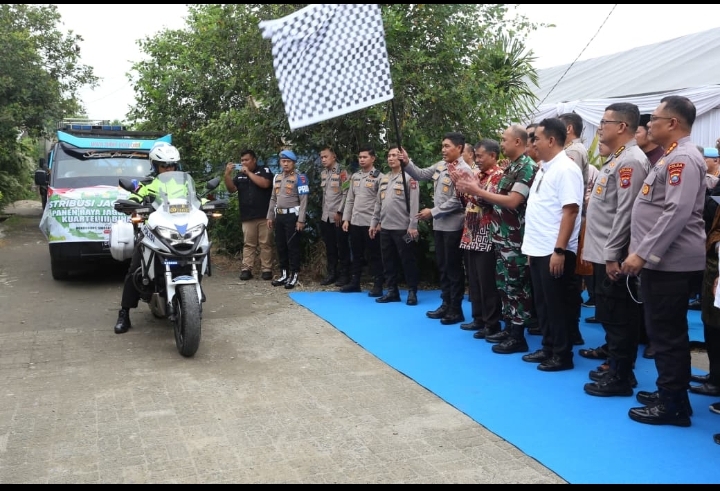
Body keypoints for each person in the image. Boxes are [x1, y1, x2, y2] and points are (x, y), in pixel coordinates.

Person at [622, 95, 706, 427]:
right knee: (663, 332)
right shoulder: (672, 155)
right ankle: (671, 394)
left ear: (672, 123)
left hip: (670, 262)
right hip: (665, 261)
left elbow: (676, 212)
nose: (649, 124)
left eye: (654, 119)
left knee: (667, 334)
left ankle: (672, 404)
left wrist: (643, 253)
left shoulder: (682, 158)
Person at [581, 102, 649, 397]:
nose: (600, 128)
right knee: (610, 313)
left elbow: (626, 212)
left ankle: (621, 376)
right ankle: (616, 367)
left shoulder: (631, 161)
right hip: (603, 252)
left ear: (622, 126)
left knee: (620, 316)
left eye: (604, 123)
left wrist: (612, 255)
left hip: (614, 255)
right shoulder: (618, 158)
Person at [453, 127, 537, 354]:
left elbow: (513, 201)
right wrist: (471, 191)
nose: (501, 144)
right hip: (501, 237)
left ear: (517, 141)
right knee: (504, 285)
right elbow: (495, 201)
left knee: (517, 287)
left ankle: (518, 336)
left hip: (516, 239)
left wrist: (477, 191)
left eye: (504, 140)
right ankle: (509, 328)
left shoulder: (526, 167)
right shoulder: (511, 167)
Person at [520, 118, 584, 372]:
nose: (533, 143)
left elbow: (570, 211)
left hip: (553, 249)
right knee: (543, 304)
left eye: (536, 138)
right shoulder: (545, 167)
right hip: (538, 248)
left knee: (557, 305)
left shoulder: (566, 168)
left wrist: (559, 250)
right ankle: (548, 347)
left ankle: (561, 354)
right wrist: (531, 249)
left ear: (551, 140)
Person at [400, 132, 472, 325]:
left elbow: (458, 201)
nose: (443, 150)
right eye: (442, 146)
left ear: (459, 148)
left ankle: (456, 309)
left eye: (447, 146)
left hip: (453, 226)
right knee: (443, 266)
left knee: (453, 268)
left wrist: (433, 211)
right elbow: (421, 174)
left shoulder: (464, 170)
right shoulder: (441, 165)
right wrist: (407, 162)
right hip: (439, 225)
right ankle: (445, 303)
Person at [114, 143, 184, 334]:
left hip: (179, 230)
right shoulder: (146, 185)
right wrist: (130, 205)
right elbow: (136, 198)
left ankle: (191, 297)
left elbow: (196, 199)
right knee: (136, 268)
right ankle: (124, 313)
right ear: (155, 166)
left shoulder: (184, 183)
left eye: (171, 165)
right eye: (164, 165)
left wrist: (207, 203)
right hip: (153, 231)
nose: (168, 169)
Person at [451, 139, 504, 338]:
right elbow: (467, 201)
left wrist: (472, 191)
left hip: (487, 235)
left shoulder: (498, 176)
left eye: (481, 156)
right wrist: (460, 187)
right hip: (471, 233)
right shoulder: (477, 175)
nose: (477, 159)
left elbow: (489, 202)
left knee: (487, 281)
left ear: (493, 155)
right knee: (473, 279)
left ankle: (492, 323)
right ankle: (478, 318)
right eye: (476, 156)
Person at [370, 145, 421, 305]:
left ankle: (412, 291)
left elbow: (414, 204)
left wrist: (413, 225)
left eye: (394, 155)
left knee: (407, 260)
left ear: (401, 157)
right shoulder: (384, 178)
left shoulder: (410, 177)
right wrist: (374, 222)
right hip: (385, 228)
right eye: (389, 155)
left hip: (403, 229)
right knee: (388, 261)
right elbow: (378, 203)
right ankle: (392, 291)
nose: (391, 158)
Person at [340, 146, 384, 296]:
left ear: (373, 158)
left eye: (365, 157)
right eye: (360, 157)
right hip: (356, 222)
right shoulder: (355, 176)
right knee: (356, 254)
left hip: (370, 223)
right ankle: (355, 282)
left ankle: (378, 284)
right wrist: (346, 219)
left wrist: (379, 223)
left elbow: (382, 203)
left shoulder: (380, 177)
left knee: (374, 255)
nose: (362, 160)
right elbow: (350, 199)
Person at [224, 149, 274, 281]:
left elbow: (265, 184)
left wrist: (249, 173)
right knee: (248, 244)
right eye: (242, 161)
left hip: (264, 215)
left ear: (254, 160)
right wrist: (227, 175)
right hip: (247, 215)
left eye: (246, 160)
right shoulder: (240, 175)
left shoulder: (264, 170)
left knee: (265, 244)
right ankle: (246, 269)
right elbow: (231, 189)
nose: (243, 163)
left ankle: (266, 270)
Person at [266, 150, 309, 290]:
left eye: (288, 161)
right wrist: (270, 216)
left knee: (292, 247)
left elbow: (304, 201)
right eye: (283, 161)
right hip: (279, 216)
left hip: (292, 216)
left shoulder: (300, 178)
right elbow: (273, 198)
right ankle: (284, 274)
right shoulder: (277, 178)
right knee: (281, 246)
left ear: (294, 163)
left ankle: (294, 275)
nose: (285, 164)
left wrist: (301, 220)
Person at [318, 146, 351, 286]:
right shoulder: (323, 173)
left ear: (334, 157)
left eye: (326, 157)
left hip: (338, 217)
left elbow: (346, 193)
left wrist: (340, 212)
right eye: (321, 157)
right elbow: (325, 196)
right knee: (330, 247)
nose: (323, 159)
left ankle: (345, 275)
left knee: (342, 246)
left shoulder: (343, 172)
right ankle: (332, 273)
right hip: (326, 216)